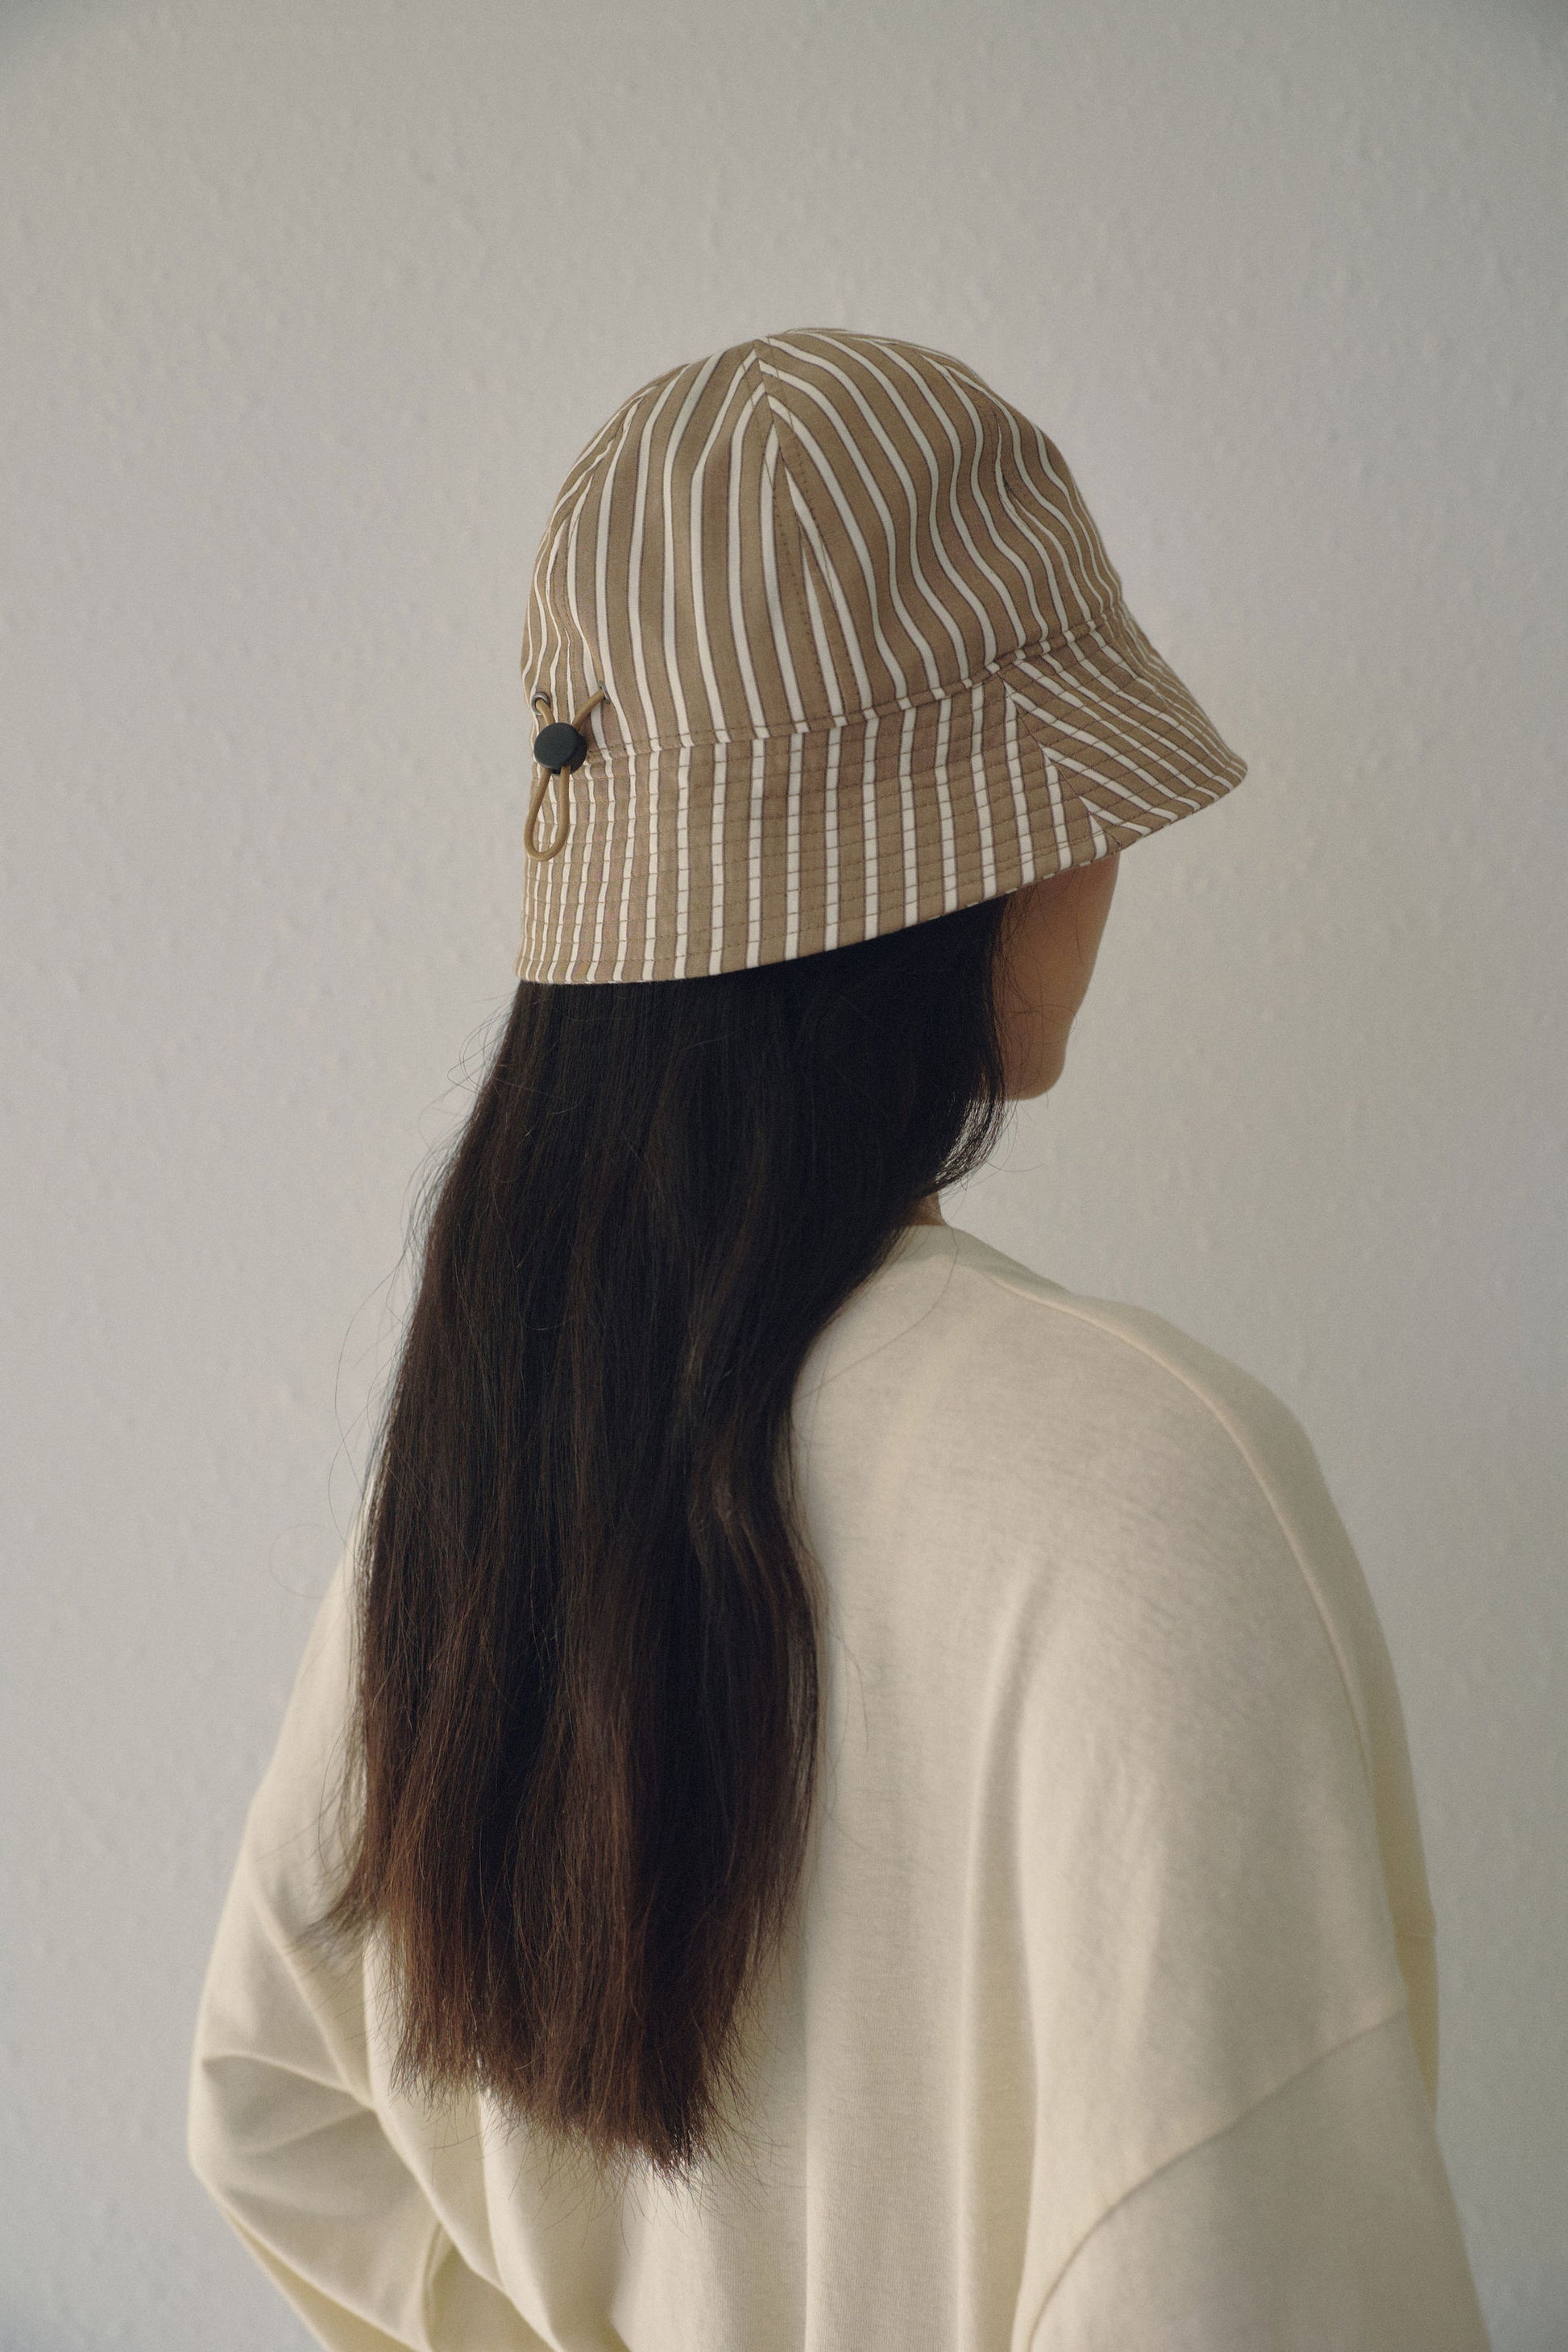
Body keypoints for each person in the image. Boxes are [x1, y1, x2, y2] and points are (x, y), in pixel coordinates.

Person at [188, 330, 1491, 2350]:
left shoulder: (499, 1455)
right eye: (1078, 794)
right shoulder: (1154, 1487)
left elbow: (273, 2101)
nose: (1108, 853)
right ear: (981, 859)